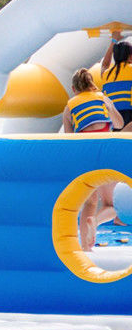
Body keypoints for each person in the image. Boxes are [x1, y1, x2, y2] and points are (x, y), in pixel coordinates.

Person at [63, 68, 125, 251]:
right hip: (105, 151)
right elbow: (120, 124)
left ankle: (86, 248)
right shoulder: (103, 99)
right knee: (111, 205)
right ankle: (95, 221)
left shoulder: (69, 107)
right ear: (92, 83)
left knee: (90, 202)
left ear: (74, 89)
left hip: (85, 154)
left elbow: (69, 139)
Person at [100, 29, 132, 131]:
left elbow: (104, 64)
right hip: (129, 116)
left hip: (112, 118)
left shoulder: (106, 74)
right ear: (130, 56)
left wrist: (113, 41)